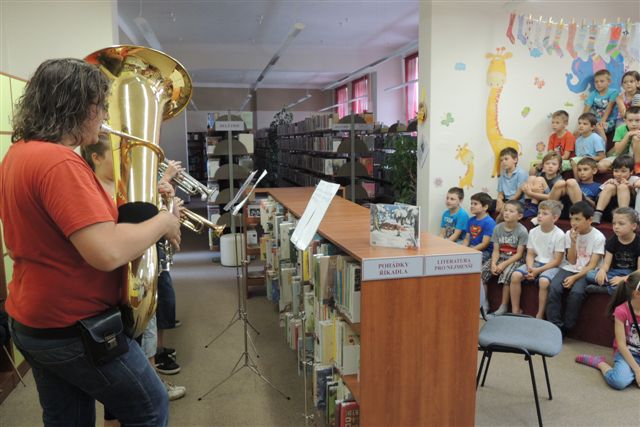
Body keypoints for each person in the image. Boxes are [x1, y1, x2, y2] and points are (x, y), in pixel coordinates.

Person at [0, 58, 181, 426]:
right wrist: (164, 220)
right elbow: (107, 251)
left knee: (68, 419)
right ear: (77, 107)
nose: (104, 116)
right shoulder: (59, 163)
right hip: (74, 327)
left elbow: (79, 230)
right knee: (150, 406)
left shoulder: (20, 152)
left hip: (35, 320)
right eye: (99, 105)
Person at [545, 201, 605, 336]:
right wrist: (573, 242)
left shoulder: (598, 237)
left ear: (590, 220)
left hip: (587, 271)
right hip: (571, 267)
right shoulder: (569, 234)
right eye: (572, 219)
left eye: (578, 219)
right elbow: (571, 260)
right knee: (554, 287)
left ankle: (567, 328)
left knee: (576, 293)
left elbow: (592, 265)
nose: (573, 223)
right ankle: (555, 326)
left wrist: (574, 278)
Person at [574, 271, 640, 390]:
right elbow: (621, 345)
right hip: (627, 353)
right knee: (619, 382)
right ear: (636, 294)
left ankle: (632, 373)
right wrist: (637, 369)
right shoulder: (621, 311)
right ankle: (600, 363)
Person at [509, 200, 565, 318]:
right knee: (515, 275)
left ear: (555, 218)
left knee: (543, 281)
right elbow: (530, 254)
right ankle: (515, 310)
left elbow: (557, 261)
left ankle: (540, 315)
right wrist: (530, 268)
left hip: (552, 265)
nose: (540, 216)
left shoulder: (559, 235)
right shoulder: (533, 231)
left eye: (545, 214)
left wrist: (537, 271)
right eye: (539, 213)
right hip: (536, 263)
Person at [480, 200, 527, 315]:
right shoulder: (497, 228)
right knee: (481, 273)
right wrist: (493, 264)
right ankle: (484, 303)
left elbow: (519, 254)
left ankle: (504, 306)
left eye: (511, 211)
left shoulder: (522, 231)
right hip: (500, 256)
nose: (506, 213)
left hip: (514, 259)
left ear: (519, 216)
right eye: (505, 210)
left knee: (507, 275)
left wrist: (503, 264)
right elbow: (496, 250)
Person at [586, 208, 640, 295]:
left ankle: (606, 289)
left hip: (631, 274)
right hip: (614, 272)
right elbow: (606, 264)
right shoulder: (612, 240)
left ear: (633, 226)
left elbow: (639, 271)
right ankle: (617, 287)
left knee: (636, 282)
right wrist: (602, 270)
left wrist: (624, 279)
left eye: (621, 223)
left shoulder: (638, 242)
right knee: (590, 275)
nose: (616, 226)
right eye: (614, 223)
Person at [515, 151, 564, 219]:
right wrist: (532, 189)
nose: (550, 166)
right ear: (543, 165)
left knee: (539, 179)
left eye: (554, 164)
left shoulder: (559, 180)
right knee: (531, 177)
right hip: (538, 197)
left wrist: (531, 192)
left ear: (559, 167)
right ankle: (527, 205)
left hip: (550, 200)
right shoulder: (540, 174)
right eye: (547, 163)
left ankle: (533, 207)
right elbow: (524, 186)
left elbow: (550, 197)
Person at [592, 155, 640, 224]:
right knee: (610, 186)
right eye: (616, 171)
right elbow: (598, 197)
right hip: (609, 211)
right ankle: (597, 214)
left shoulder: (635, 179)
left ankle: (623, 216)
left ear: (631, 171)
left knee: (622, 187)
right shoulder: (611, 180)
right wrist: (610, 185)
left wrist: (631, 186)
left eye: (623, 171)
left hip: (629, 210)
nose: (619, 174)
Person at [530, 110, 575, 174]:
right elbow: (550, 153)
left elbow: (566, 156)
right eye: (553, 122)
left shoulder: (569, 136)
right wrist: (546, 161)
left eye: (557, 123)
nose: (554, 125)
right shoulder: (552, 137)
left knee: (550, 166)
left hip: (565, 161)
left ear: (565, 124)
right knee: (534, 167)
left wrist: (551, 161)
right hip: (553, 160)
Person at [599, 106, 640, 173]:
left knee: (636, 138)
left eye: (638, 120)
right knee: (601, 166)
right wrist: (628, 135)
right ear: (625, 121)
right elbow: (618, 151)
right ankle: (620, 169)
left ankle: (637, 165)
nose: (634, 124)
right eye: (630, 120)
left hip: (636, 158)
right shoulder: (620, 129)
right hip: (621, 157)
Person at [583, 69, 619, 142]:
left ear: (609, 82)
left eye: (602, 81)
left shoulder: (614, 92)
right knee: (583, 130)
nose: (598, 84)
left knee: (599, 129)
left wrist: (602, 121)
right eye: (596, 82)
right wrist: (582, 123)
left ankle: (604, 145)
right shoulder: (593, 94)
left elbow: (609, 107)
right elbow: (586, 110)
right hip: (596, 121)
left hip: (610, 120)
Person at [495, 147, 528, 220]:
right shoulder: (502, 174)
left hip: (517, 201)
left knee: (503, 210)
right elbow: (500, 193)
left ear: (515, 160)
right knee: (491, 205)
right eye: (501, 160)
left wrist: (505, 205)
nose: (503, 162)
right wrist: (499, 200)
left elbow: (518, 194)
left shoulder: (521, 173)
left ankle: (499, 222)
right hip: (506, 199)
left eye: (506, 159)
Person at [462, 192, 495, 262]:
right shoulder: (471, 220)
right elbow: (467, 239)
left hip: (484, 251)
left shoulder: (489, 222)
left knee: (467, 260)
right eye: (471, 203)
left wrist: (469, 252)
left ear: (485, 207)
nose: (472, 206)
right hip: (471, 248)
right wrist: (463, 250)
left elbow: (484, 244)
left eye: (475, 204)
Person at [570, 112, 606, 177]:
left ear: (592, 127)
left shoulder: (596, 138)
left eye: (585, 124)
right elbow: (578, 155)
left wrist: (588, 158)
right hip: (580, 160)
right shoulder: (578, 140)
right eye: (579, 123)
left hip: (592, 161)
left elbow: (602, 157)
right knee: (561, 164)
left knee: (574, 162)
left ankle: (577, 182)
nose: (581, 126)